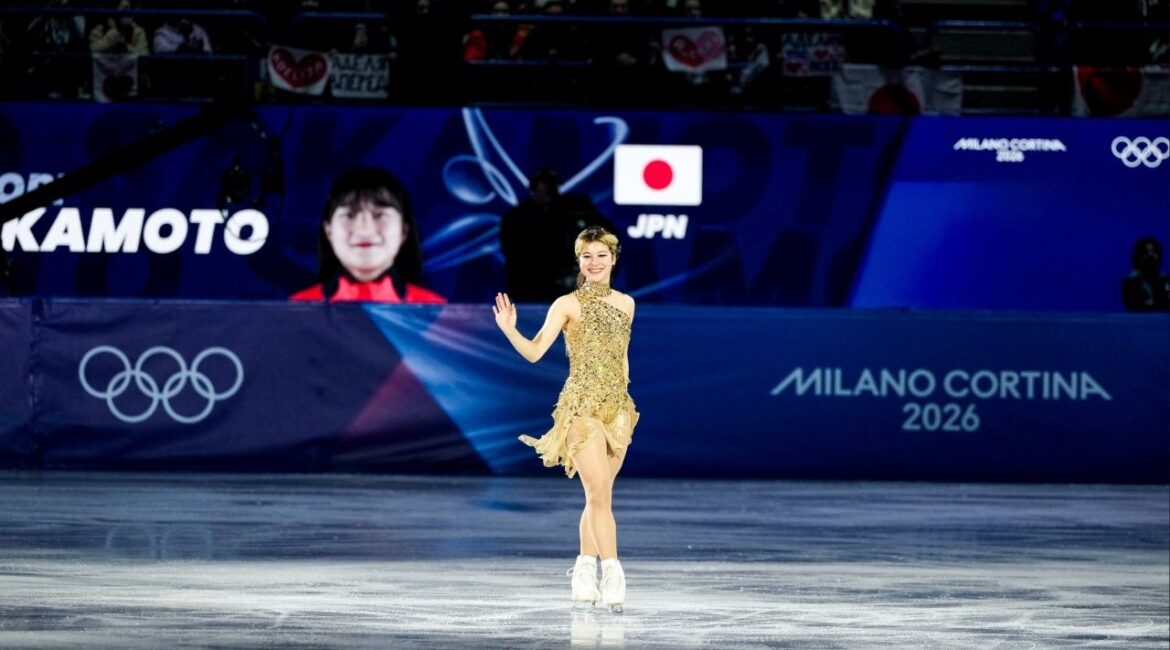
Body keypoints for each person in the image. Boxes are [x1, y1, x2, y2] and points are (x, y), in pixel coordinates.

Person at [492, 226, 638, 612]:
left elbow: (621, 356)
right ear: (579, 261)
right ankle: (613, 572)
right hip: (581, 409)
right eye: (587, 256)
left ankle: (583, 571)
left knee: (600, 496)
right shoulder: (566, 304)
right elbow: (535, 352)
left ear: (613, 259)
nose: (594, 263)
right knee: (597, 492)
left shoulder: (627, 304)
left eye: (601, 255)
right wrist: (510, 331)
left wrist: (624, 397)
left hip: (617, 411)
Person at [291, 167, 445, 303]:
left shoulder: (437, 313)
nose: (364, 230)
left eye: (380, 215)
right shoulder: (296, 311)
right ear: (329, 231)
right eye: (349, 215)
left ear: (403, 231)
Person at [499, 167, 615, 303]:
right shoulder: (516, 217)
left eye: (552, 184)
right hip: (528, 285)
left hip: (563, 285)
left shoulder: (573, 210)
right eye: (543, 184)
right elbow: (512, 253)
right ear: (534, 187)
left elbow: (604, 233)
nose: (548, 188)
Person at [1121, 236, 1170, 312]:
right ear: (1138, 256)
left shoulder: (1166, 280)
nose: (1150, 255)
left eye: (1154, 252)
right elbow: (1133, 304)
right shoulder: (1130, 281)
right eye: (1145, 252)